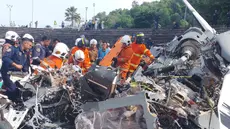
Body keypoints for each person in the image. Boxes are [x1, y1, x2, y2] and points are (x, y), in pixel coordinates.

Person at [1, 34, 33, 102]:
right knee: (13, 89)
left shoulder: (24, 53)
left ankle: (9, 98)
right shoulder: (13, 49)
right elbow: (5, 58)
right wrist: (15, 65)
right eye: (30, 45)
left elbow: (24, 66)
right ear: (25, 43)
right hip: (7, 72)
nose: (30, 47)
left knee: (22, 88)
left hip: (15, 74)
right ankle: (8, 102)